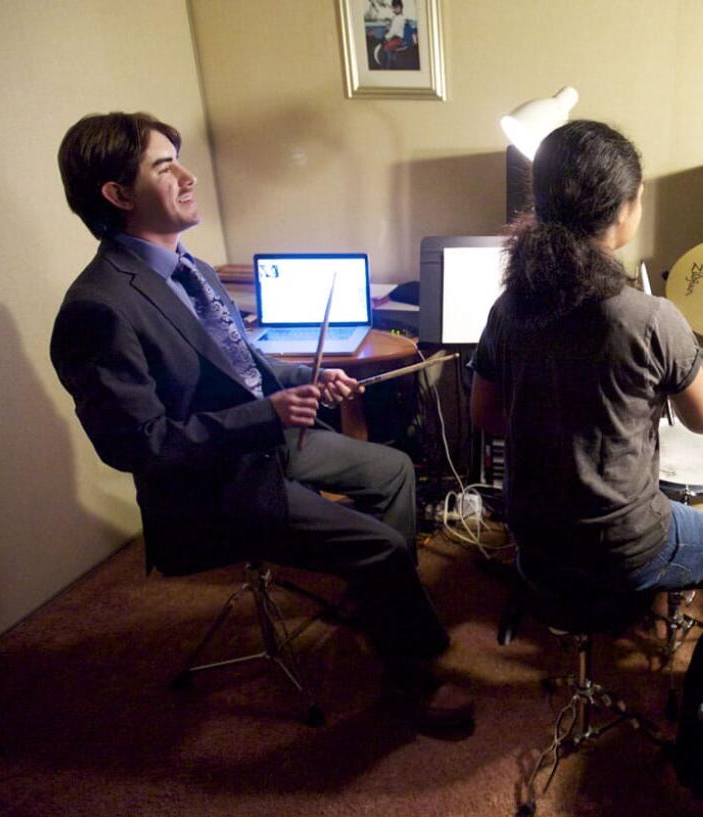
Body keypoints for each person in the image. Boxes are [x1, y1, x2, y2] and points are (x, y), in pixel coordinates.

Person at [50, 112, 471, 728]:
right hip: (212, 486)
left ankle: (382, 603)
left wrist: (307, 381)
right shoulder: (97, 308)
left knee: (396, 470)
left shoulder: (188, 268)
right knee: (380, 544)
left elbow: (246, 362)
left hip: (267, 442)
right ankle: (411, 681)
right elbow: (139, 446)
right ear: (117, 194)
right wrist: (264, 417)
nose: (189, 175)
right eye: (165, 166)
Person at [469, 120, 703, 633]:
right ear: (624, 211)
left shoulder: (507, 309)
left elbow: (484, 414)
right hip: (622, 546)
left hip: (534, 538)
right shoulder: (650, 318)